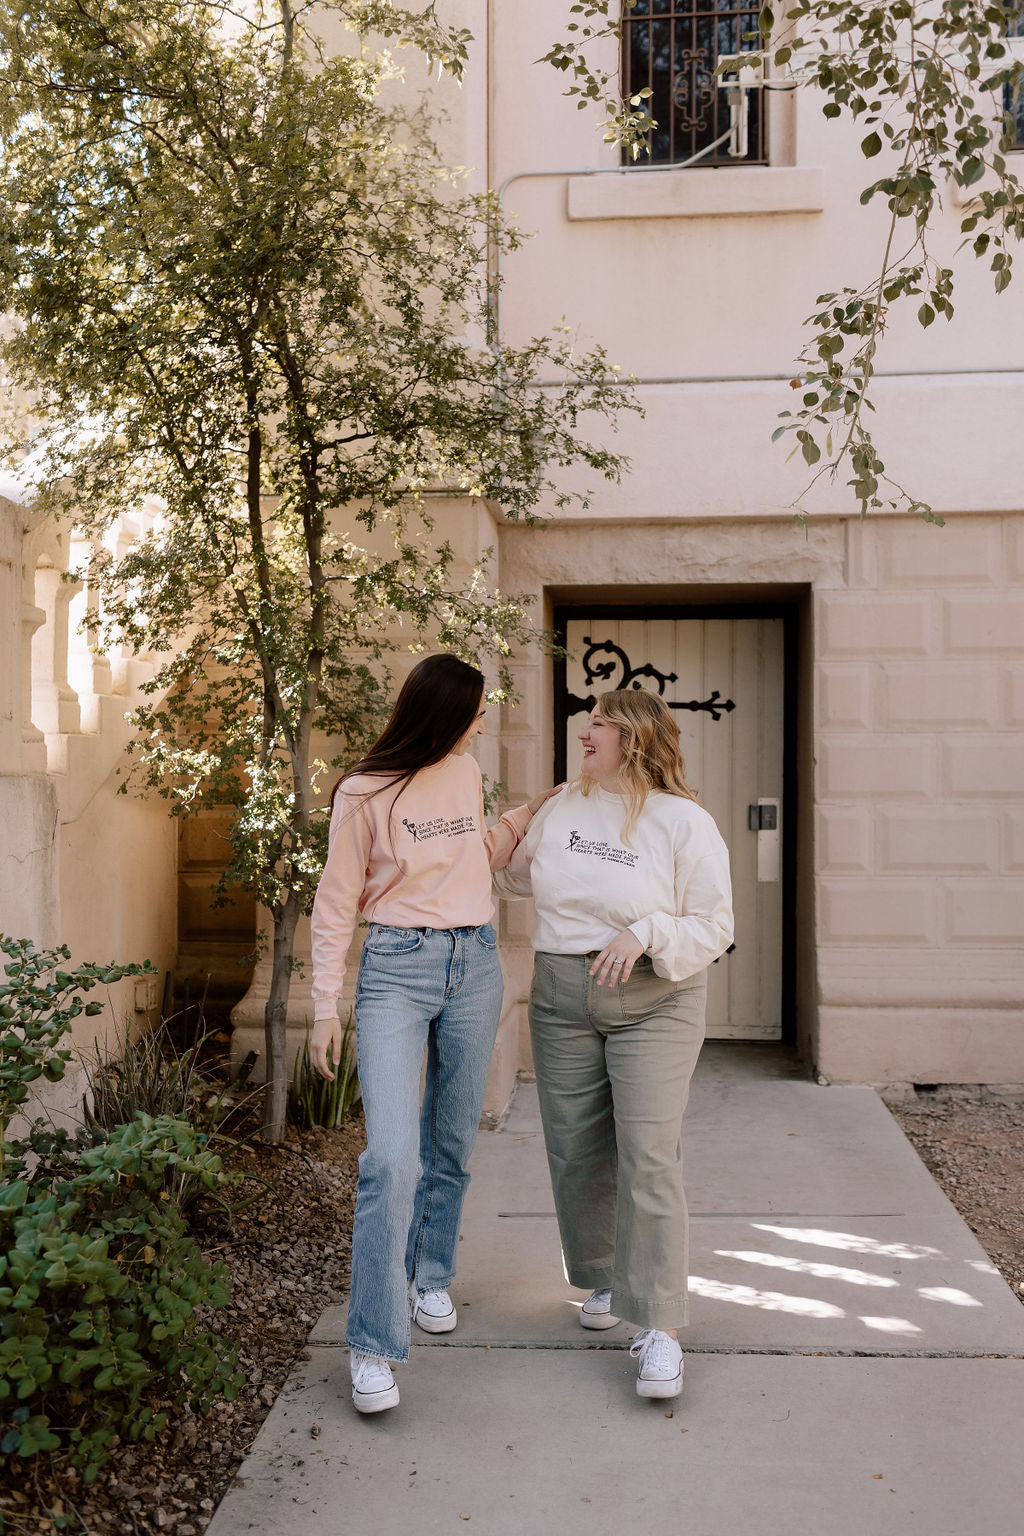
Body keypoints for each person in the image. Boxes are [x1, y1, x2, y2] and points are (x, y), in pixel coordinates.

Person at [309, 654, 554, 1415]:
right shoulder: (362, 791)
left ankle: (431, 1275)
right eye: (478, 709)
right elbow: (335, 902)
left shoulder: (463, 769)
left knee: (451, 1141)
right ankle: (372, 1347)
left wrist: (535, 810)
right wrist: (324, 1006)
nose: (485, 720)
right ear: (446, 712)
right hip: (397, 968)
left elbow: (469, 853)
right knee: (390, 1159)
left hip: (475, 963)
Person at [494, 688, 734, 1400]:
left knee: (650, 1154)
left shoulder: (682, 821)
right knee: (575, 1150)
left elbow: (714, 924)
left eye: (599, 722)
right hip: (563, 995)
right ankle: (604, 1278)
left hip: (653, 998)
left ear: (633, 736)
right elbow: (513, 873)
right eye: (586, 720)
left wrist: (646, 932)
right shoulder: (563, 807)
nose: (585, 731)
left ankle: (658, 1325)